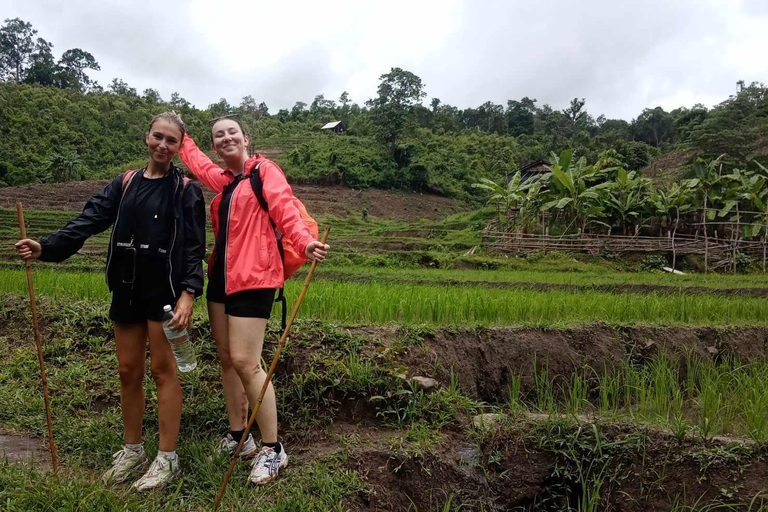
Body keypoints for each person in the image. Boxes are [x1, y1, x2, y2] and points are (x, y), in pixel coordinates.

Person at [15, 112, 206, 491]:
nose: (163, 145)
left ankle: (167, 459)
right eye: (158, 137)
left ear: (179, 147)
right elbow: (89, 220)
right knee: (127, 370)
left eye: (171, 141)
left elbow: (195, 247)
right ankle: (132, 450)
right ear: (146, 136)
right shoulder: (126, 182)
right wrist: (46, 247)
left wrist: (189, 293)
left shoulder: (186, 190)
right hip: (126, 286)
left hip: (164, 293)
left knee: (163, 372)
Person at [177, 114, 328, 485]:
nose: (226, 138)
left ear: (245, 138)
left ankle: (273, 448)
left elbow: (284, 207)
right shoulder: (226, 181)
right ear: (214, 144)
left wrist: (304, 241)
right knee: (227, 359)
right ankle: (238, 435)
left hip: (254, 279)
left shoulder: (264, 171)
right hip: (220, 280)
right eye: (218, 135)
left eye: (232, 132)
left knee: (247, 361)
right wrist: (181, 137)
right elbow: (198, 165)